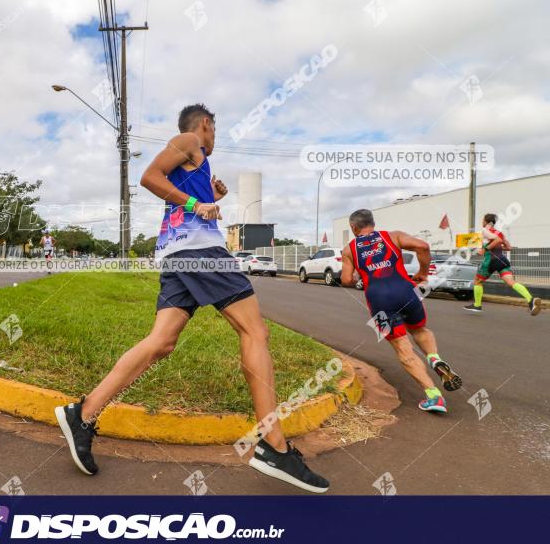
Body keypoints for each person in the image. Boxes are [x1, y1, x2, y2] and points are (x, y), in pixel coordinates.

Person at [54, 104, 329, 493]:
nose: (213, 140)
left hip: (178, 252)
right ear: (205, 125)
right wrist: (195, 202)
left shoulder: (197, 164)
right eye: (214, 131)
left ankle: (82, 414)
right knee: (255, 332)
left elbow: (182, 198)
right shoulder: (189, 140)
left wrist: (208, 194)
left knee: (161, 342)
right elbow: (149, 177)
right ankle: (272, 444)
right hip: (199, 252)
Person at [340, 209, 462, 413]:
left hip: (379, 300)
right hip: (406, 291)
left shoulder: (349, 250)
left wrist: (359, 277)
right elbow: (422, 246)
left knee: (402, 346)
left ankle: (434, 397)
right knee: (420, 329)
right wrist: (423, 273)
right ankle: (434, 358)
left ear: (354, 227)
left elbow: (345, 280)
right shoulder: (392, 236)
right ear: (372, 223)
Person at [464, 213, 542, 316]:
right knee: (511, 282)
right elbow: (508, 247)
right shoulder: (499, 232)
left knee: (477, 281)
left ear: (486, 222)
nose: (482, 222)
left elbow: (498, 240)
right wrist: (495, 248)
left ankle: (477, 305)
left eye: (483, 220)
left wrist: (485, 249)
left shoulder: (485, 231)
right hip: (502, 260)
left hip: (491, 261)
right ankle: (531, 300)